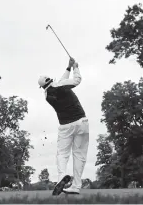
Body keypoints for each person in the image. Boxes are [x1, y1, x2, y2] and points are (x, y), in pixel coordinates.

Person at [38, 57, 89, 195]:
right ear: (50, 79)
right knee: (79, 155)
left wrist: (68, 68)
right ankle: (76, 186)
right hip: (81, 122)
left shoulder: (48, 95)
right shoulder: (60, 85)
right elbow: (76, 80)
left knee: (62, 154)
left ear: (42, 86)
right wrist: (75, 67)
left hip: (65, 126)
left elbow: (60, 82)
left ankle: (61, 177)